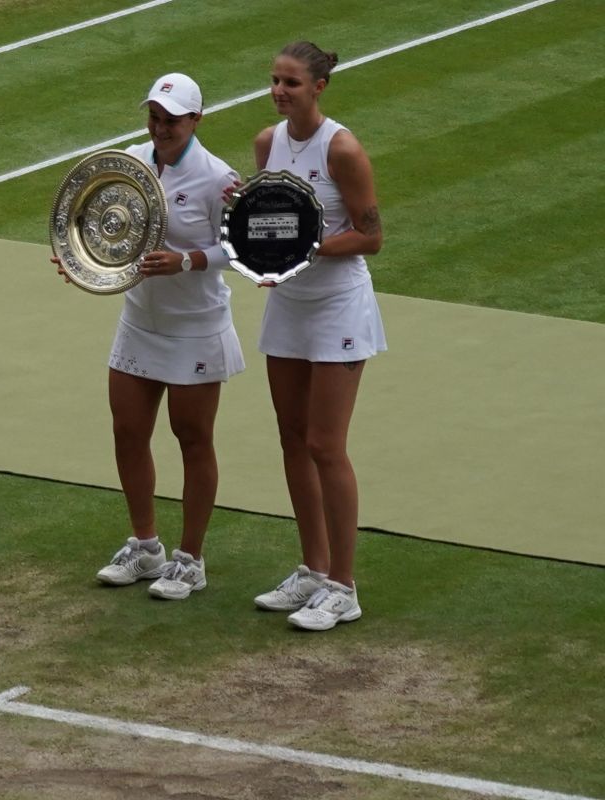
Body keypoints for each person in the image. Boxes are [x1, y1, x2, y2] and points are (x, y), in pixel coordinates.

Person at [53, 73, 243, 601]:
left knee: (192, 438)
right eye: (155, 118)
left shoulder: (218, 179)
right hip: (140, 320)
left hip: (196, 327)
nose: (160, 128)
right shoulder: (131, 163)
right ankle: (145, 546)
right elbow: (99, 221)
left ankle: (191, 560)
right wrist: (83, 259)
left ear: (195, 121)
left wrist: (187, 260)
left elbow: (241, 247)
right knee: (127, 431)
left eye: (172, 120)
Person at [247, 42, 386, 631]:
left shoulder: (343, 149)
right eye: (275, 81)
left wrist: (306, 248)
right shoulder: (266, 143)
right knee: (292, 437)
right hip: (288, 305)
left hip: (338, 309)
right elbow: (266, 220)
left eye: (292, 84)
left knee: (326, 445)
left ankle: (343, 587)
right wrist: (248, 226)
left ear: (319, 87)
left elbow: (371, 236)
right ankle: (312, 567)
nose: (280, 92)